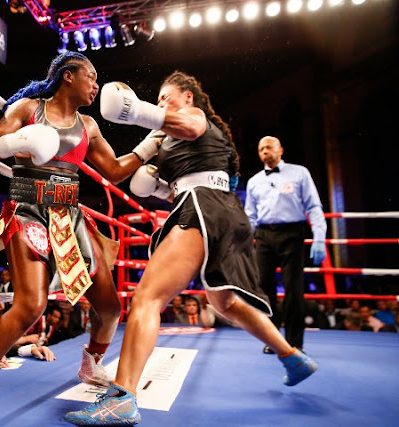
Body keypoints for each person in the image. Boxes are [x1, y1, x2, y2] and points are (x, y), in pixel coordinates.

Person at [65, 72, 318, 425]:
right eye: (158, 99)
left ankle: (121, 399)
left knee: (147, 299)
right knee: (224, 302)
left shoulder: (195, 117)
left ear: (187, 96)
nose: (161, 103)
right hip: (222, 213)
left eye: (166, 96)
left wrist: (137, 111)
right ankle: (291, 356)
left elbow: (190, 126)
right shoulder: (172, 141)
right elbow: (159, 184)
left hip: (204, 209)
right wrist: (153, 171)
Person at [0, 51, 148, 427]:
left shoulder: (89, 126)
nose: (96, 85)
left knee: (110, 307)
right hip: (28, 208)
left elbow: (114, 170)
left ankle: (92, 363)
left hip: (70, 216)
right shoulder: (28, 109)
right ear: (68, 76)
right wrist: (13, 142)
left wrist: (152, 146)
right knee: (30, 305)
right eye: (91, 76)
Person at [244, 135, 327, 354]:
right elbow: (250, 216)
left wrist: (319, 237)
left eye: (269, 147)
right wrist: (243, 243)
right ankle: (273, 341)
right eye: (261, 149)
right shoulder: (254, 181)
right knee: (264, 289)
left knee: (294, 288)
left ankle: (295, 343)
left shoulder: (299, 173)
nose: (265, 152)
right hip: (263, 235)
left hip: (292, 233)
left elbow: (314, 206)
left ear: (280, 149)